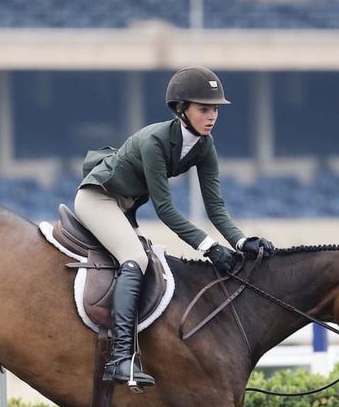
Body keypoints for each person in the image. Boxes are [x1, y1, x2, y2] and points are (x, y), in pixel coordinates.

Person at [74, 66, 274, 388]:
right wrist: (209, 248)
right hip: (98, 199)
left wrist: (241, 242)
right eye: (203, 109)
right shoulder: (155, 140)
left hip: (123, 208)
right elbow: (165, 209)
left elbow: (216, 207)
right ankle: (120, 359)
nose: (212, 117)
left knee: (154, 265)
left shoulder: (204, 147)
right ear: (181, 110)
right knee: (136, 260)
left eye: (215, 110)